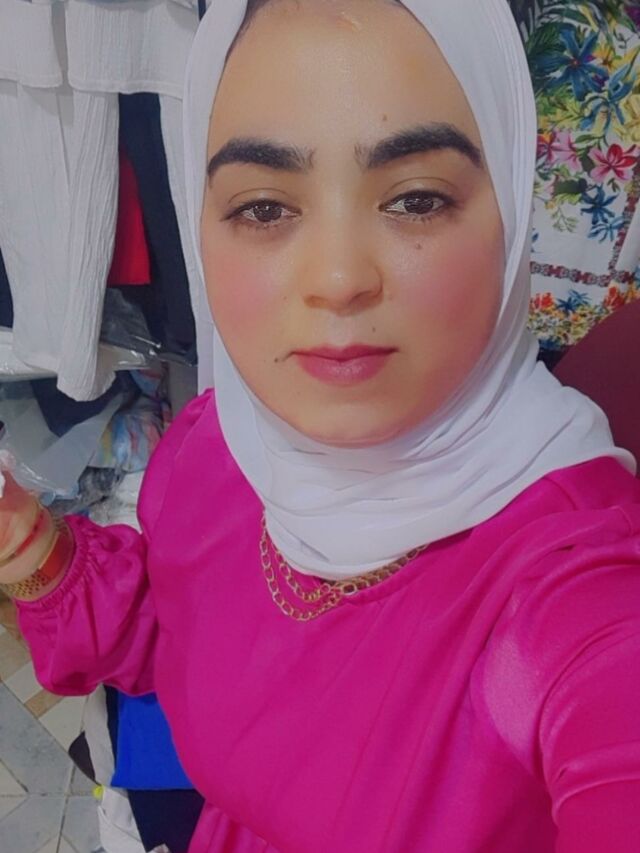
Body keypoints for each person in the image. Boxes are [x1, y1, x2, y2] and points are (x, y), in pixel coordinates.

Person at [1, 1, 640, 850]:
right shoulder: (217, 446)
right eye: (265, 208)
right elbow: (186, 631)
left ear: (514, 215)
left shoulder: (572, 593)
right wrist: (32, 547)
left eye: (415, 199)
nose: (338, 278)